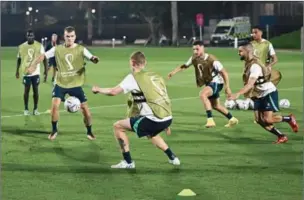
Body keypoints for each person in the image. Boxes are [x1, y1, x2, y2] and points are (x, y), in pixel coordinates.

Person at [92, 51, 180, 169]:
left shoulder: (133, 78)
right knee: (150, 133)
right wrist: (166, 120)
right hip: (166, 117)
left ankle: (128, 162)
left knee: (118, 126)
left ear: (133, 63)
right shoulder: (155, 76)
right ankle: (173, 158)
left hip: (154, 119)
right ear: (144, 63)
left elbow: (114, 91)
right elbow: (162, 96)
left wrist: (98, 89)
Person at [26, 26, 99, 141]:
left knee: (86, 111)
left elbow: (91, 57)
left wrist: (94, 59)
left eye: (72, 36)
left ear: (75, 37)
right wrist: (33, 65)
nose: (70, 38)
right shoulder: (57, 49)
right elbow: (43, 56)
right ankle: (54, 130)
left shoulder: (81, 49)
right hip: (60, 84)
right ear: (64, 37)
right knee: (54, 106)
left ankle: (89, 131)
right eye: (67, 36)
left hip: (75, 84)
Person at [228, 43, 298, 144]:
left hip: (267, 92)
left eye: (241, 51)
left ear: (248, 51)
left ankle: (289, 118)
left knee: (268, 120)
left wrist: (238, 94)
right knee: (259, 120)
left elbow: (250, 84)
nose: (239, 53)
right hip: (258, 94)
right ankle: (281, 136)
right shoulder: (249, 62)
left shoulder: (255, 66)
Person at [167, 40, 238, 128]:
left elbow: (224, 73)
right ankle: (232, 119)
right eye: (193, 49)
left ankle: (210, 120)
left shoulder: (212, 60)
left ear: (202, 48)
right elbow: (185, 66)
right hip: (209, 83)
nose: (195, 51)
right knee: (216, 106)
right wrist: (173, 72)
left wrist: (227, 87)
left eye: (197, 49)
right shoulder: (194, 58)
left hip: (216, 83)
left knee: (203, 94)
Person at [16, 29, 48, 116]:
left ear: (34, 36)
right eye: (28, 35)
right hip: (26, 73)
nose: (30, 37)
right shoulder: (21, 46)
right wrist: (17, 71)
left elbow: (44, 58)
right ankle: (26, 109)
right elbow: (19, 59)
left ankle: (35, 109)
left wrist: (46, 71)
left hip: (36, 73)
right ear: (26, 36)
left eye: (31, 35)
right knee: (26, 91)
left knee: (36, 91)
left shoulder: (39, 45)